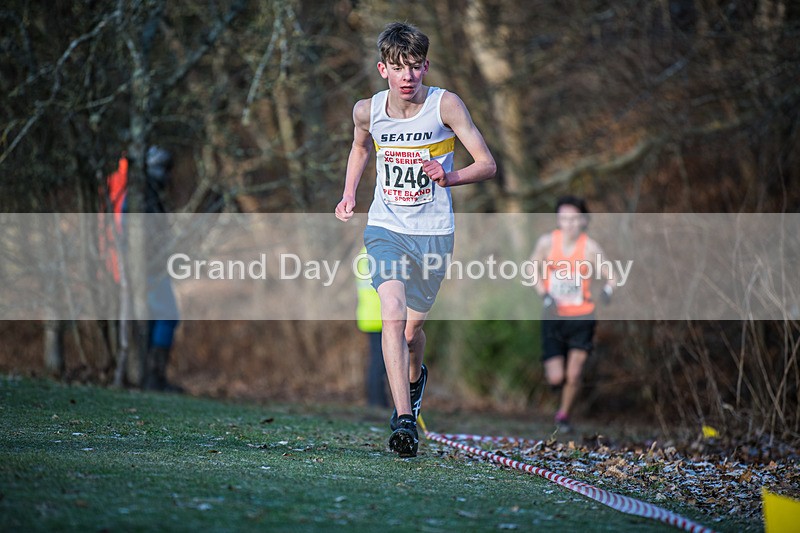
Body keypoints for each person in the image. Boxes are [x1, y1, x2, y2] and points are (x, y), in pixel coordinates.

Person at [335, 22, 496, 457]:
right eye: (399, 68)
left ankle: (414, 379)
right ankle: (404, 420)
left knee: (410, 333)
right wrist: (350, 192)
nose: (408, 77)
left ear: (425, 66)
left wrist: (450, 176)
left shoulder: (446, 106)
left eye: (415, 67)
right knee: (390, 311)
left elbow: (487, 164)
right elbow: (361, 147)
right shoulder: (367, 110)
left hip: (434, 233)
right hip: (386, 227)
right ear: (383, 69)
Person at [528, 196, 615, 431]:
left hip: (582, 316)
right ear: (558, 220)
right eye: (564, 219)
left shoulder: (590, 247)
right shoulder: (547, 242)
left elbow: (611, 274)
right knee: (557, 377)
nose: (569, 224)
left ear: (583, 221)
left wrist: (608, 290)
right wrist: (543, 293)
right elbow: (532, 267)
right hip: (554, 316)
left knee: (574, 374)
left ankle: (563, 416)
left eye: (574, 219)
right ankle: (559, 385)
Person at [103, 146, 181, 392]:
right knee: (166, 315)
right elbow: (129, 232)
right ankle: (152, 378)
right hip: (145, 269)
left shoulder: (145, 192)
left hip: (146, 267)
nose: (168, 176)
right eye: (164, 168)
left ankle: (149, 377)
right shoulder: (140, 194)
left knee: (158, 317)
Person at [356, 247, 389, 407]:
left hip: (368, 315)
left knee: (377, 359)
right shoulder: (379, 253)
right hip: (380, 316)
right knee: (380, 361)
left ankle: (377, 399)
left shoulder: (363, 253)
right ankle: (376, 401)